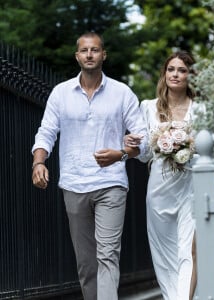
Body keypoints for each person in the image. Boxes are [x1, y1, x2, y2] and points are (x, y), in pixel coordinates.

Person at [31, 32, 147, 300]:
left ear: (103, 55)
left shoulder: (122, 93)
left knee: (107, 254)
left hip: (111, 184)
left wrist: (121, 153)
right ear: (77, 56)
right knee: (86, 263)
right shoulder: (61, 94)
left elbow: (142, 137)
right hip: (74, 184)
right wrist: (39, 161)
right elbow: (46, 131)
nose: (90, 54)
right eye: (85, 50)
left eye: (95, 50)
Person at [125, 51, 201, 300]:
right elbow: (145, 154)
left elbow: (212, 146)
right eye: (171, 69)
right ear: (164, 74)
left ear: (190, 76)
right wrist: (132, 145)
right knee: (163, 253)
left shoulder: (200, 110)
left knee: (188, 250)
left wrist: (189, 146)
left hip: (190, 186)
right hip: (159, 190)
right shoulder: (147, 107)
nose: (175, 74)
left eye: (182, 70)